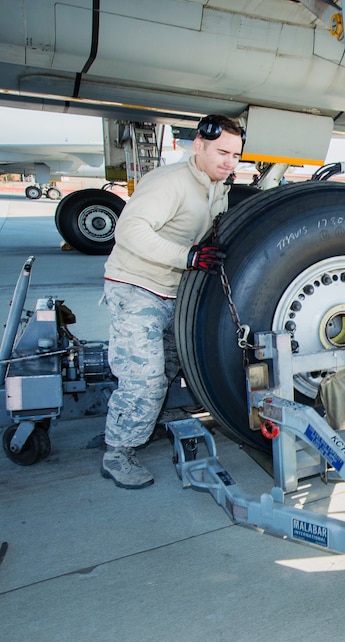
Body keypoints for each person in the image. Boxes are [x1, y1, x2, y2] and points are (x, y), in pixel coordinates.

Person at [100, 114, 243, 489]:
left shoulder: (217, 187)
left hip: (174, 292)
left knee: (167, 367)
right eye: (222, 152)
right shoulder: (171, 182)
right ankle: (117, 452)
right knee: (143, 378)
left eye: (235, 155)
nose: (229, 162)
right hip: (138, 286)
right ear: (198, 145)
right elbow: (129, 230)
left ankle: (141, 422)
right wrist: (188, 256)